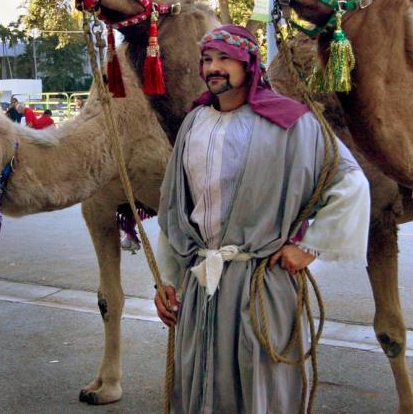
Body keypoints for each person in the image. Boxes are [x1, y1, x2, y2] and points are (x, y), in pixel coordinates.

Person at [154, 25, 370, 413]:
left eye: (224, 59)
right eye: (207, 59)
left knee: (258, 382)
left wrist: (308, 247)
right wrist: (167, 280)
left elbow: (350, 181)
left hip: (260, 282)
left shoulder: (291, 121)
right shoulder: (193, 123)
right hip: (199, 281)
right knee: (197, 383)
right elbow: (173, 210)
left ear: (249, 64)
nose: (213, 67)